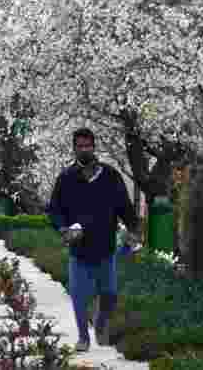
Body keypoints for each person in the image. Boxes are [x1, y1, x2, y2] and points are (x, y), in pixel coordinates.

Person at [46, 128, 141, 352]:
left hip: (106, 246)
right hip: (79, 249)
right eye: (80, 146)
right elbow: (54, 210)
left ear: (94, 147)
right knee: (79, 296)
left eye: (87, 145)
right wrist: (63, 229)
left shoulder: (110, 175)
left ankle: (100, 322)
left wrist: (133, 229)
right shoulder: (66, 178)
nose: (84, 149)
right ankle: (83, 338)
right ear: (74, 148)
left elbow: (124, 206)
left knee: (109, 295)